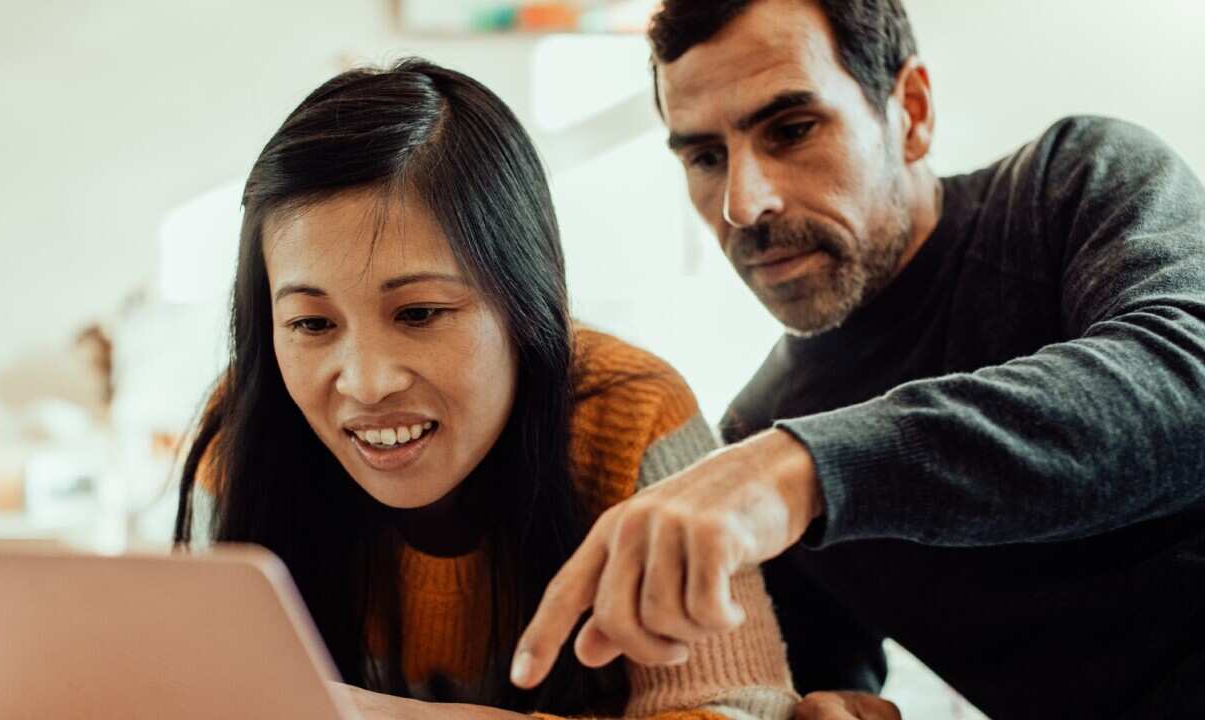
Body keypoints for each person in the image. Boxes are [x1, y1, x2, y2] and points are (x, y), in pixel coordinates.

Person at [511, 1, 1205, 717]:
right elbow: (822, 676)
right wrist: (825, 704)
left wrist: (805, 471)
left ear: (911, 109)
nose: (742, 205)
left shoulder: (1073, 184)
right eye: (706, 158)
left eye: (791, 129)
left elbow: (1188, 385)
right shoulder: (761, 429)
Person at [172, 59, 801, 719]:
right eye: (312, 323)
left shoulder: (632, 412)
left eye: (418, 313)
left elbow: (738, 709)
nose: (365, 381)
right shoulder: (249, 426)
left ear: (525, 303)